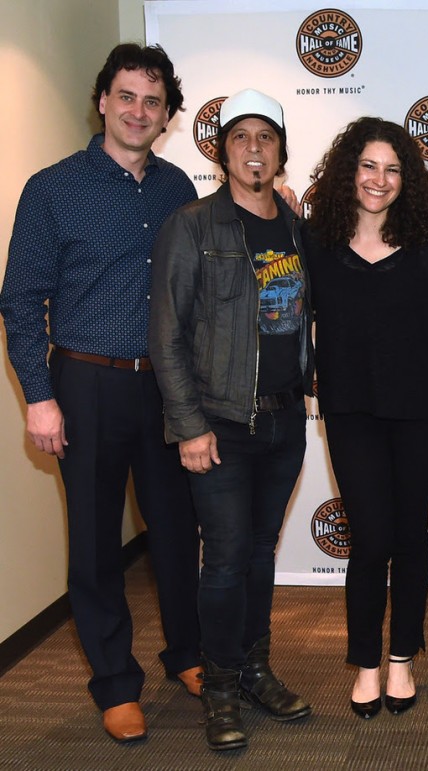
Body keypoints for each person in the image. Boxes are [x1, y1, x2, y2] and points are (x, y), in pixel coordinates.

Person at [0, 43, 201, 743]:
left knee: (177, 532)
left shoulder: (180, 189)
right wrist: (40, 394)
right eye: (126, 96)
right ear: (102, 101)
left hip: (168, 387)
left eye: (152, 101)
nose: (138, 111)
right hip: (83, 383)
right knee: (93, 543)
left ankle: (188, 653)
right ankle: (116, 682)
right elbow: (21, 302)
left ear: (167, 115)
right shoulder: (51, 189)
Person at [149, 89, 313, 751]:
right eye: (240, 136)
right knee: (222, 560)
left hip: (284, 422)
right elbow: (166, 335)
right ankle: (219, 685)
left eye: (266, 137)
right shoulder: (192, 225)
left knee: (259, 555)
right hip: (219, 424)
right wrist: (188, 424)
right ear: (222, 150)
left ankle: (253, 665)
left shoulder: (297, 226)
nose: (254, 148)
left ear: (279, 149)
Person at [304, 118, 428, 720]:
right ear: (349, 171)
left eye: (393, 169)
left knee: (410, 536)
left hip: (420, 409)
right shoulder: (315, 242)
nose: (380, 179)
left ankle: (402, 661)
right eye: (369, 165)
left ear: (408, 179)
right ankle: (365, 662)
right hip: (349, 410)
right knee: (369, 541)